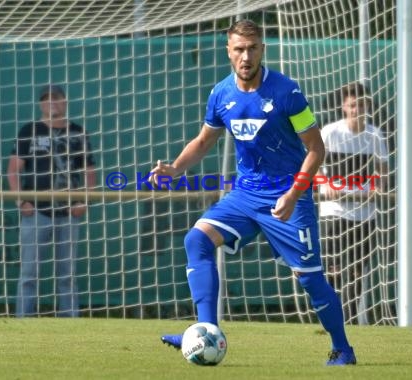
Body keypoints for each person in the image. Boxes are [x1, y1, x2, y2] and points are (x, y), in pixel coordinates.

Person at [153, 20, 356, 366]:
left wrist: (294, 194)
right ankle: (206, 331)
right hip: (246, 195)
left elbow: (316, 150)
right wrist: (174, 169)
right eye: (239, 49)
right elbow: (204, 141)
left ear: (262, 49)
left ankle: (342, 349)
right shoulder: (220, 94)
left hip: (288, 197)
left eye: (252, 48)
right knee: (196, 240)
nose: (245, 56)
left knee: (309, 278)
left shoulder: (287, 92)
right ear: (228, 51)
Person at [7, 84, 96, 317]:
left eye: (56, 99)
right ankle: (22, 322)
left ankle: (70, 324)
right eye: (46, 100)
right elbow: (13, 170)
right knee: (29, 274)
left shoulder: (78, 132)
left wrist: (84, 201)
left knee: (67, 275)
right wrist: (20, 202)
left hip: (68, 212)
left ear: (65, 102)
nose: (51, 103)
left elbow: (89, 171)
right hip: (36, 212)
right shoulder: (29, 130)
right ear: (40, 104)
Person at [317, 82, 389, 324]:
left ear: (367, 106)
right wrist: (324, 183)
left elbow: (382, 170)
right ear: (344, 107)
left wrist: (377, 186)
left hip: (364, 214)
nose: (357, 109)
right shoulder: (330, 132)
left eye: (361, 104)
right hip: (334, 212)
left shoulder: (374, 135)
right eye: (352, 105)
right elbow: (312, 164)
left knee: (358, 272)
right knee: (334, 269)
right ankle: (331, 315)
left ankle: (347, 321)